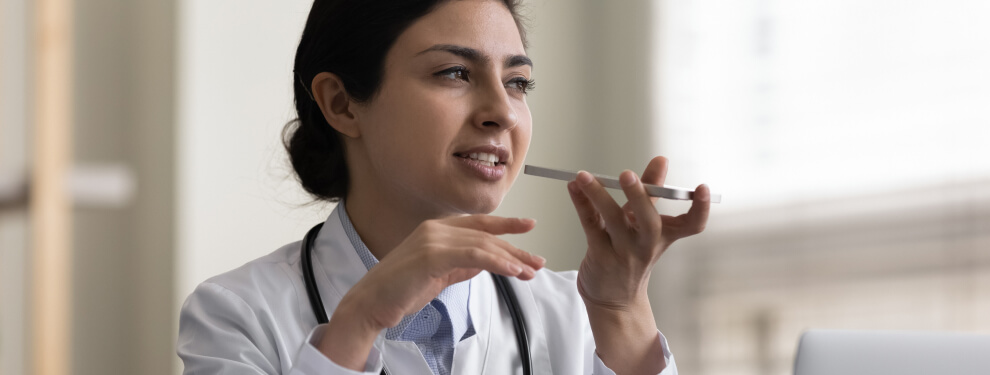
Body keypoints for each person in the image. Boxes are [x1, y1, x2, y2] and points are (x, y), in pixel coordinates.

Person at [176, 0, 711, 374]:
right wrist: (359, 323)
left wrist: (620, 310)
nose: (502, 112)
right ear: (341, 103)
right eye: (455, 73)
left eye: (517, 82)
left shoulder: (573, 312)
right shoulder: (239, 314)